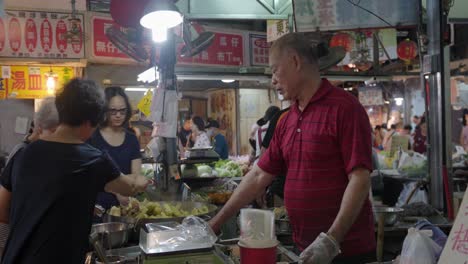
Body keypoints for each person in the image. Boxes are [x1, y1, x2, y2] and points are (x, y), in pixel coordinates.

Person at [209, 33, 375, 264]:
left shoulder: (345, 109)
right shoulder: (286, 120)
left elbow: (360, 178)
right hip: (304, 247)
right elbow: (258, 175)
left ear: (295, 62)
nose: (273, 79)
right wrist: (215, 224)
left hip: (346, 251)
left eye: (275, 70)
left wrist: (331, 241)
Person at [0, 79, 148, 263]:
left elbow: (2, 209)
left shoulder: (24, 152)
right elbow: (129, 187)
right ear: (90, 122)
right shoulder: (93, 159)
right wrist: (142, 181)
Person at [0, 97, 59, 259]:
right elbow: (3, 209)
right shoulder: (21, 154)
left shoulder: (49, 155)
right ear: (39, 128)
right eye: (54, 131)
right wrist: (3, 250)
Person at [87, 86, 142, 214]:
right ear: (104, 110)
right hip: (98, 207)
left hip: (126, 208)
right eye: (113, 111)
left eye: (122, 111)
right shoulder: (93, 138)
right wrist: (117, 191)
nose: (118, 115)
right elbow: (92, 177)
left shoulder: (132, 139)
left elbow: (136, 175)